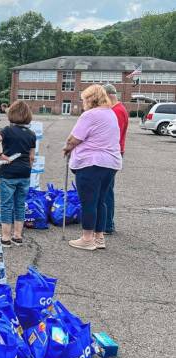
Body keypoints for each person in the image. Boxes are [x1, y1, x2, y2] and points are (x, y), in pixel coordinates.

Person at [63, 84, 122, 251]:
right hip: (110, 163)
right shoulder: (110, 113)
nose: (82, 103)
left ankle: (87, 238)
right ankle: (99, 237)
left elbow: (75, 138)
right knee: (100, 201)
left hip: (91, 163)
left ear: (90, 99)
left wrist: (67, 149)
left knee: (88, 201)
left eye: (83, 99)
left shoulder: (89, 115)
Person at [0, 100, 35, 247]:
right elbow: (32, 157)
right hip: (25, 172)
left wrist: (1, 156)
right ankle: (18, 236)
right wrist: (28, 167)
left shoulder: (7, 131)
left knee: (7, 205)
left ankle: (6, 238)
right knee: (20, 204)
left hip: (9, 172)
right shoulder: (31, 134)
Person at [103, 83, 128, 234]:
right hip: (114, 152)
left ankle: (107, 225)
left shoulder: (117, 111)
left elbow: (113, 136)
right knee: (106, 189)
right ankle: (105, 223)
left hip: (112, 153)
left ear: (109, 96)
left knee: (106, 190)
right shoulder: (118, 109)